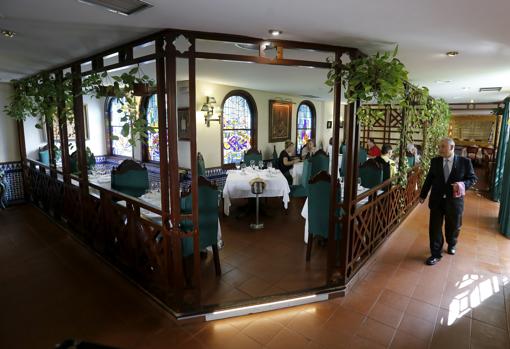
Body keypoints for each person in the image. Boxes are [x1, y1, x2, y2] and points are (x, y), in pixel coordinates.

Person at [419, 138, 477, 266]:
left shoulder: (465, 162)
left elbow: (473, 178)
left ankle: (452, 243)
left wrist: (462, 185)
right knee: (434, 228)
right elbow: (429, 179)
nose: (440, 149)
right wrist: (423, 195)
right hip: (437, 200)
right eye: (439, 146)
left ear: (451, 147)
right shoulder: (435, 161)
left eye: (443, 146)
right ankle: (435, 253)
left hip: (455, 202)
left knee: (453, 226)